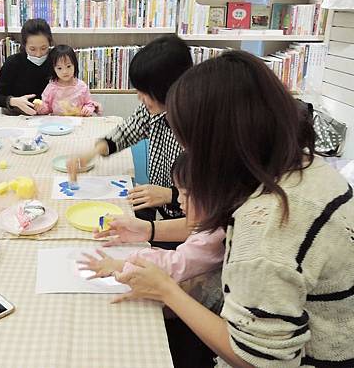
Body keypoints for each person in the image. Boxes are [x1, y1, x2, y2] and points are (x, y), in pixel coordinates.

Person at [112, 51, 354, 367]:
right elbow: (212, 230)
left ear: (218, 144)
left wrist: (169, 292)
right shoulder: (294, 165)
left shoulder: (270, 225)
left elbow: (259, 360)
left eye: (188, 143)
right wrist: (151, 231)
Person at [67, 35, 193, 240]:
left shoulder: (198, 128)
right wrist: (93, 152)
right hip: (157, 208)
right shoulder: (154, 110)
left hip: (185, 225)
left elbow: (213, 200)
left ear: (170, 89)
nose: (139, 98)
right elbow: (127, 131)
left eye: (145, 92)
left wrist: (170, 195)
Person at [78, 153, 225, 305]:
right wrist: (147, 230)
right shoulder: (213, 222)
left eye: (185, 194)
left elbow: (173, 264)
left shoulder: (212, 237)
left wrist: (120, 264)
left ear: (216, 198)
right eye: (178, 192)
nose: (178, 200)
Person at [0, 18, 53, 116]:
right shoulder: (13, 63)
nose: (38, 54)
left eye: (44, 48)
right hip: (16, 116)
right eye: (32, 49)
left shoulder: (56, 61)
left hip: (48, 116)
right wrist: (14, 101)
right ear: (24, 45)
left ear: (50, 43)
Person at [35, 45, 101, 117]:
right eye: (59, 68)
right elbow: (47, 108)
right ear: (54, 69)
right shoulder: (51, 87)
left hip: (78, 121)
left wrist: (87, 109)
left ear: (74, 65)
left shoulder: (82, 86)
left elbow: (89, 103)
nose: (65, 71)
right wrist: (40, 108)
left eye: (68, 66)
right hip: (57, 124)